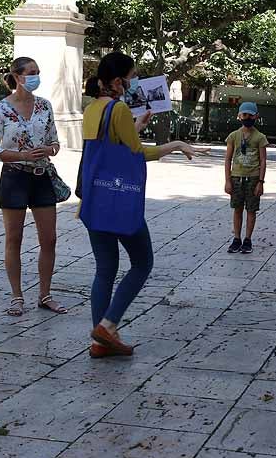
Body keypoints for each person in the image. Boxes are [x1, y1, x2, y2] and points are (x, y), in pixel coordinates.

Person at [81, 53, 207, 358]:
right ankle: (108, 325)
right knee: (142, 263)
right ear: (116, 81)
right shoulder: (119, 108)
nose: (132, 82)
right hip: (120, 201)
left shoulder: (91, 108)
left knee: (105, 269)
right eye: (131, 76)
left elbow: (111, 147)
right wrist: (176, 145)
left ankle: (100, 342)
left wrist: (134, 125)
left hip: (96, 200)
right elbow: (138, 154)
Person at [0, 57, 67, 317]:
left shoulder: (45, 106)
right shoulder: (1, 108)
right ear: (17, 76)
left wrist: (49, 149)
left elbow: (55, 142)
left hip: (42, 176)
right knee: (14, 238)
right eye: (31, 73)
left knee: (49, 239)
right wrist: (21, 155)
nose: (35, 77)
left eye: (38, 72)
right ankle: (16, 296)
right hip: (14, 176)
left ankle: (45, 294)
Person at [225, 102, 268, 254]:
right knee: (237, 209)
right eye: (244, 115)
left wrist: (260, 182)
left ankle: (248, 239)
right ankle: (236, 238)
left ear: (256, 116)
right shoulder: (233, 136)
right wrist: (227, 180)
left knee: (251, 209)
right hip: (236, 177)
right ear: (239, 116)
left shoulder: (260, 137)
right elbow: (228, 159)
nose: (247, 118)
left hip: (253, 178)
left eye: (250, 115)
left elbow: (263, 160)